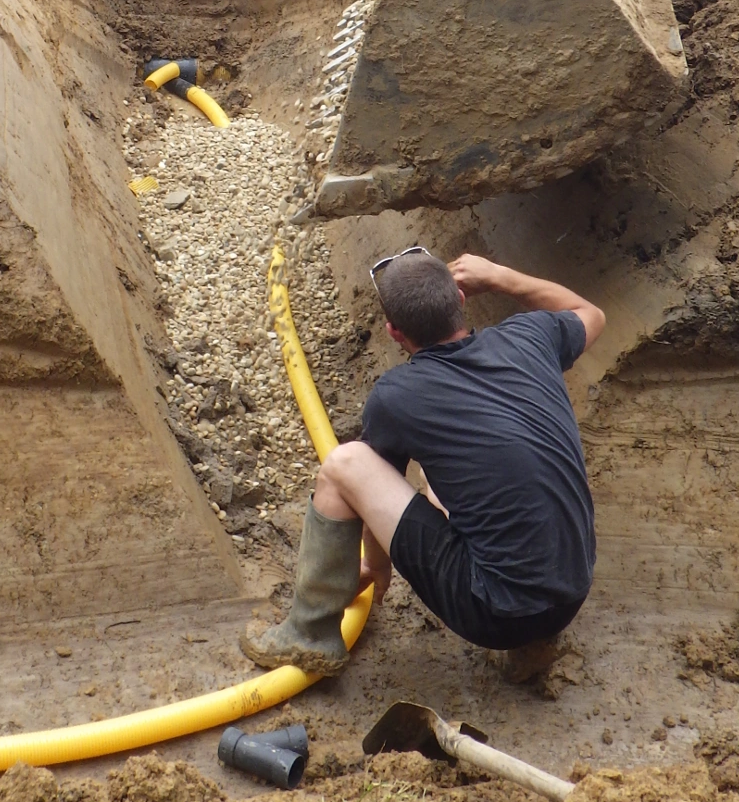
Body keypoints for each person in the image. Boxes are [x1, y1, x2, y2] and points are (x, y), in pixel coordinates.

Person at [240, 246, 603, 681]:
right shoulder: (530, 336)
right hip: (572, 590)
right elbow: (590, 313)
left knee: (345, 464)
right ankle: (532, 647)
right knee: (444, 471)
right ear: (462, 300)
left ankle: (309, 634)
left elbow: (370, 490)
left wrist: (375, 567)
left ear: (394, 332)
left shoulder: (397, 396)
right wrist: (500, 276)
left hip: (495, 614)